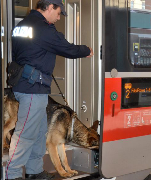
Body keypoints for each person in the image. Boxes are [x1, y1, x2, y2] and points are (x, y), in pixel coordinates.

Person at [6, 0, 93, 179]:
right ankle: (13, 174)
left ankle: (35, 171)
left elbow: (24, 55)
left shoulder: (22, 26)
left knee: (39, 133)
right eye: (59, 13)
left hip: (28, 85)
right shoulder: (44, 29)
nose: (58, 17)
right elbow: (67, 48)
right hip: (32, 89)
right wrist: (87, 50)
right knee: (25, 134)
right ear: (50, 7)